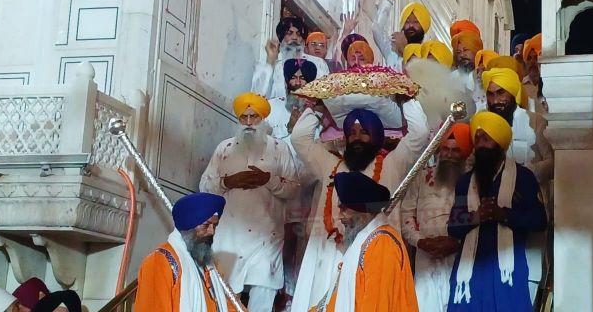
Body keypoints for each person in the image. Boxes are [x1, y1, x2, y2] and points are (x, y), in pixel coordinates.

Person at [289, 100, 428, 312]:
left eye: (364, 132)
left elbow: (420, 133)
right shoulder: (330, 166)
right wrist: (316, 109)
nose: (356, 138)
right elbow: (299, 139)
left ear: (376, 135)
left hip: (376, 256)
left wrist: (407, 100)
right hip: (328, 256)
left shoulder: (392, 164)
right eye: (351, 132)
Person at [199, 92, 298, 312]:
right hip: (229, 236)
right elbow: (204, 185)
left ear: (264, 119)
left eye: (255, 117)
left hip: (267, 237)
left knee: (262, 298)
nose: (249, 122)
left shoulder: (279, 148)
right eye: (244, 117)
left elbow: (293, 188)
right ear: (238, 120)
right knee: (222, 298)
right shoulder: (224, 148)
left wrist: (268, 180)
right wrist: (228, 182)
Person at [447, 111, 547, 312]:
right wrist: (477, 216)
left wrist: (504, 215)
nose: (481, 145)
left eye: (486, 139)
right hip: (470, 271)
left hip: (507, 271)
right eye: (477, 139)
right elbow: (453, 227)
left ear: (501, 144)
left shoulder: (523, 177)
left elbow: (539, 221)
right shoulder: (465, 181)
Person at [312, 172, 419, 312]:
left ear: (363, 211)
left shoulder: (382, 244)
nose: (339, 217)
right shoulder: (363, 242)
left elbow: (377, 306)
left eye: (344, 209)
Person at [401, 123, 472, 312]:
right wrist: (421, 242)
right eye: (445, 149)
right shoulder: (420, 177)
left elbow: (477, 220)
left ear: (465, 153)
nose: (449, 155)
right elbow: (407, 214)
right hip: (426, 256)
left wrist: (456, 242)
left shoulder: (473, 182)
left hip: (460, 257)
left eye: (456, 150)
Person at [135, 192, 240, 312]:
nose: (212, 232)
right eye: (206, 225)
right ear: (189, 226)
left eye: (215, 226)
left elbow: (230, 306)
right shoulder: (160, 262)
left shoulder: (211, 266)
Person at [252, 17, 331, 139]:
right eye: (289, 33)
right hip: (276, 126)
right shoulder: (275, 65)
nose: (294, 38)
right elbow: (257, 96)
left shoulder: (317, 63)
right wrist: (270, 60)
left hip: (307, 127)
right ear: (281, 39)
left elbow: (325, 97)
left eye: (298, 34)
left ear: (303, 40)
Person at [372, 0, 431, 71]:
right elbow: (376, 29)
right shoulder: (393, 52)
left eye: (416, 22)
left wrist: (404, 50)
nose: (411, 25)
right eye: (407, 22)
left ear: (423, 26)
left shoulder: (427, 53)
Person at [521, 33, 547, 113]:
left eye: (536, 57)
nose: (532, 62)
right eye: (529, 58)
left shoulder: (549, 84)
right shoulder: (521, 87)